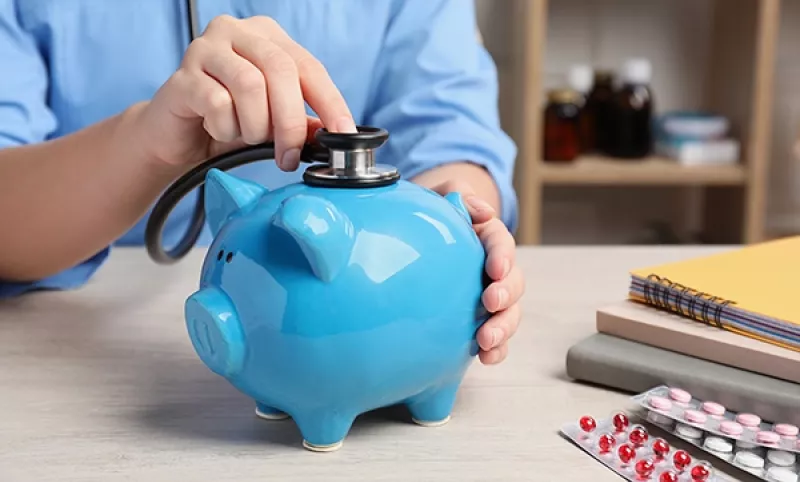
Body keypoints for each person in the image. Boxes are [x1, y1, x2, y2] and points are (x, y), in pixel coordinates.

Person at [0, 1, 523, 365]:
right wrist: (143, 141)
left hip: (360, 286)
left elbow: (453, 133)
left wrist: (452, 234)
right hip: (56, 335)